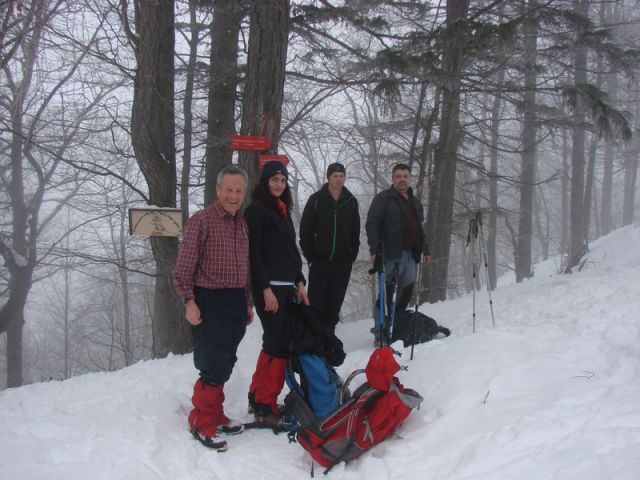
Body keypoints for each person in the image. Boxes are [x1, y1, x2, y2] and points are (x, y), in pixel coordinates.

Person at [174, 165, 254, 451]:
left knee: (227, 360)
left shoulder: (241, 224)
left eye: (238, 191)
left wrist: (246, 303)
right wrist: (189, 300)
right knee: (212, 363)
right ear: (218, 190)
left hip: (234, 301)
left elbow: (243, 268)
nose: (233, 196)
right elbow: (184, 267)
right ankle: (201, 420)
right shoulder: (202, 221)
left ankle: (216, 413)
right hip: (209, 300)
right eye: (228, 190)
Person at [244, 160, 309, 425]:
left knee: (272, 343)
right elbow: (254, 254)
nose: (278, 184)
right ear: (265, 182)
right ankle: (265, 406)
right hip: (269, 289)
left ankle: (256, 396)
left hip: (287, 287)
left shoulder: (282, 210)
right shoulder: (257, 211)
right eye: (274, 180)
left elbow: (291, 251)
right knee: (279, 345)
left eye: (282, 180)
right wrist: (264, 289)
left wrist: (300, 281)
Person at [365, 163, 429, 341]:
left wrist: (426, 248)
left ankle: (396, 327)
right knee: (386, 296)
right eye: (398, 176)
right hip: (390, 255)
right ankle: (380, 332)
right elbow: (372, 224)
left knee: (405, 294)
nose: (402, 179)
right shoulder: (384, 199)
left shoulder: (415, 202)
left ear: (410, 178)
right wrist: (375, 250)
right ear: (393, 179)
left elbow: (420, 229)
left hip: (411, 255)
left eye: (405, 176)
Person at [299, 162, 360, 333]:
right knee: (316, 303)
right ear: (329, 177)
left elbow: (355, 232)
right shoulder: (316, 200)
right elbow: (305, 230)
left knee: (334, 304)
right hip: (320, 261)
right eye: (335, 176)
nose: (339, 179)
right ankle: (314, 340)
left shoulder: (351, 201)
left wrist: (351, 255)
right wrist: (311, 257)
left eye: (341, 176)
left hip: (343, 263)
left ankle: (328, 340)